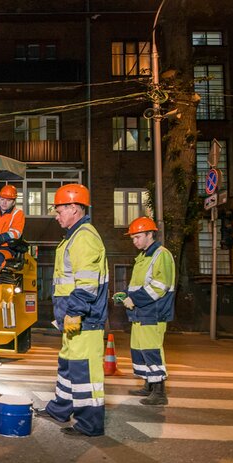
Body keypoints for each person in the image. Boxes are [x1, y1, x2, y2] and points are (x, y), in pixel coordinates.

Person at [35, 183, 108, 437]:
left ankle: (90, 425)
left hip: (83, 321)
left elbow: (86, 283)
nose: (56, 216)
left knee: (84, 374)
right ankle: (60, 409)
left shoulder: (84, 237)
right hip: (71, 320)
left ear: (74, 208)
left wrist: (75, 312)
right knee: (68, 368)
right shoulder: (74, 237)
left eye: (59, 210)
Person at [114, 216, 176, 406]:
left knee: (151, 350)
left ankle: (159, 392)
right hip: (141, 312)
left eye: (138, 237)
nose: (135, 241)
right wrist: (125, 294)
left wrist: (134, 299)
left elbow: (160, 285)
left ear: (150, 234)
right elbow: (138, 285)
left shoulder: (161, 254)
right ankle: (149, 385)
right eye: (133, 238)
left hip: (153, 312)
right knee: (140, 349)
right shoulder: (143, 257)